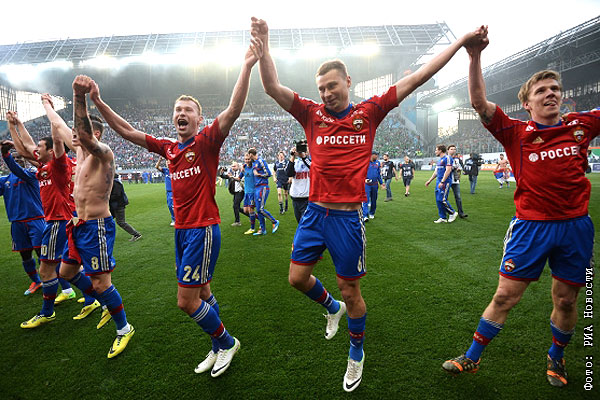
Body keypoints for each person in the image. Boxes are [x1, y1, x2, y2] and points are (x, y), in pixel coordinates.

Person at [251, 16, 488, 392]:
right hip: (315, 213)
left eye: (332, 85)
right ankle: (331, 308)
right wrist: (264, 45)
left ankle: (356, 352)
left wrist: (461, 43)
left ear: (348, 82)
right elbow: (271, 86)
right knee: (297, 278)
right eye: (321, 88)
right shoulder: (311, 114)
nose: (326, 93)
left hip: (347, 219)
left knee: (351, 291)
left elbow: (418, 77)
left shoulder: (370, 112)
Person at [90, 41, 259, 375]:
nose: (181, 113)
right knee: (203, 291)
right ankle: (217, 345)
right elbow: (127, 131)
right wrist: (97, 100)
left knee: (186, 301)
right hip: (182, 231)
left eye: (188, 110)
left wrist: (246, 65)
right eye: (177, 109)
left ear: (199, 118)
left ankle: (226, 342)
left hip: (202, 229)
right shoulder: (168, 148)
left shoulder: (206, 142)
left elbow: (233, 110)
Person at [442, 26, 598, 389]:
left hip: (576, 227)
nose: (550, 93)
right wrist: (474, 55)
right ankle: (472, 357)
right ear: (526, 104)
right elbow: (479, 103)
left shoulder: (581, 126)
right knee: (504, 296)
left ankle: (556, 357)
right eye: (541, 91)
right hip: (531, 226)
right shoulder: (515, 132)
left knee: (567, 301)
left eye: (554, 89)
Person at [7, 108, 100, 325]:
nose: (35, 150)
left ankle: (49, 311)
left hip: (60, 219)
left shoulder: (58, 165)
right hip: (70, 217)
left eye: (40, 148)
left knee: (48, 268)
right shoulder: (52, 164)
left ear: (52, 150)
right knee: (68, 267)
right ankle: (94, 299)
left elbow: (30, 147)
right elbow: (25, 147)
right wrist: (16, 124)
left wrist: (45, 116)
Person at [1, 140, 44, 295]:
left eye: (19, 157)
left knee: (42, 254)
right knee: (25, 255)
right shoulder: (5, 180)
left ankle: (50, 280)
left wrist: (6, 155)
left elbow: (16, 169)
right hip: (17, 224)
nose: (17, 160)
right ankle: (36, 281)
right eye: (14, 158)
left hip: (36, 220)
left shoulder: (32, 174)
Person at [248, 147, 279, 235]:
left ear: (251, 154)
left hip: (263, 187)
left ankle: (274, 221)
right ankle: (263, 229)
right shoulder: (254, 163)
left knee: (260, 209)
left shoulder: (261, 161)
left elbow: (269, 173)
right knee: (258, 210)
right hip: (257, 188)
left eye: (249, 155)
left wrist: (259, 174)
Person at [425, 145, 458, 223]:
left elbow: (448, 170)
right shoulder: (439, 160)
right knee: (438, 200)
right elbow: (436, 172)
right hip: (438, 182)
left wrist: (442, 181)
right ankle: (443, 217)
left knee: (442, 199)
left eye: (436, 150)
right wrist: (429, 181)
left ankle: (452, 213)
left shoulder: (447, 158)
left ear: (440, 150)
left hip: (445, 182)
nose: (435, 152)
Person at [109, 173, 142, 241]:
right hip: (116, 205)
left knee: (120, 222)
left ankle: (136, 234)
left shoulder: (115, 183)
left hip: (118, 205)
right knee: (108, 220)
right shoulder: (116, 182)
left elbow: (116, 195)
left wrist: (107, 197)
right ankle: (106, 235)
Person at [286, 144, 310, 223]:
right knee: (299, 222)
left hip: (307, 198)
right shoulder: (295, 162)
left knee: (304, 223)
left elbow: (312, 167)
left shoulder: (312, 162)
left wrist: (303, 157)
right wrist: (293, 156)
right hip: (296, 197)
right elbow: (289, 173)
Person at [447, 144, 467, 218]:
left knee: (458, 197)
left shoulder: (457, 159)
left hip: (455, 180)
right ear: (448, 150)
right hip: (447, 180)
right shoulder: (446, 158)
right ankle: (447, 212)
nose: (453, 150)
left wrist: (458, 172)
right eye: (451, 149)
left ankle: (461, 213)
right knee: (444, 198)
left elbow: (459, 168)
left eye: (454, 149)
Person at [362, 151, 383, 221]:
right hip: (367, 185)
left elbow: (378, 174)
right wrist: (364, 179)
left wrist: (381, 183)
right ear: (372, 155)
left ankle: (372, 213)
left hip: (375, 184)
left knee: (374, 200)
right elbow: (361, 172)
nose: (377, 156)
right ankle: (365, 215)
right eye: (376, 155)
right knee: (366, 200)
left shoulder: (377, 163)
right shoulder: (365, 162)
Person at [225, 161, 247, 227]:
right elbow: (225, 176)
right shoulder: (232, 173)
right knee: (237, 207)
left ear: (238, 166)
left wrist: (232, 177)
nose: (233, 167)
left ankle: (237, 221)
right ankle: (252, 215)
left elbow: (240, 179)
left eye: (234, 166)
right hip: (235, 192)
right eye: (232, 166)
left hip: (241, 192)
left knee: (235, 206)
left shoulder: (241, 172)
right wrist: (221, 173)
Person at [156, 157, 175, 226]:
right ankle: (175, 219)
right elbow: (156, 167)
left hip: (174, 191)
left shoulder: (175, 170)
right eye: (166, 162)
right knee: (170, 205)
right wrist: (159, 160)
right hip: (168, 191)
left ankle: (175, 220)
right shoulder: (165, 170)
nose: (167, 163)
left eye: (168, 162)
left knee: (172, 206)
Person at [241, 153, 258, 234]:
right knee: (245, 210)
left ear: (251, 159)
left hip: (252, 192)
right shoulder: (244, 168)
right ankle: (260, 218)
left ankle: (252, 228)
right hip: (246, 192)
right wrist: (230, 177)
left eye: (248, 159)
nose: (247, 160)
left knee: (251, 210)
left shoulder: (253, 168)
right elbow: (239, 177)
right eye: (246, 159)